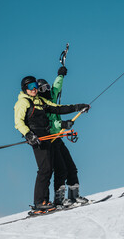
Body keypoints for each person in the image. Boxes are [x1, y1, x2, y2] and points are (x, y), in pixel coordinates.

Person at [14, 75, 90, 213]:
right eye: (31, 87)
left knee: (49, 169)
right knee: (44, 170)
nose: (34, 89)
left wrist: (78, 107)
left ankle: (45, 201)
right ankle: (39, 202)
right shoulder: (23, 102)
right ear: (25, 89)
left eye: (36, 86)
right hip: (37, 139)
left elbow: (58, 108)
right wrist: (28, 134)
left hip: (48, 136)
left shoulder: (40, 101)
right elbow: (18, 122)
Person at [37, 66, 88, 207]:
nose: (46, 90)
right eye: (42, 89)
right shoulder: (41, 105)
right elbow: (50, 124)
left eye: (47, 87)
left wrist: (60, 75)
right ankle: (59, 199)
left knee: (71, 167)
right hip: (50, 140)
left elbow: (56, 87)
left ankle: (74, 196)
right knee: (61, 169)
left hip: (58, 139)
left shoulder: (51, 96)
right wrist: (62, 124)